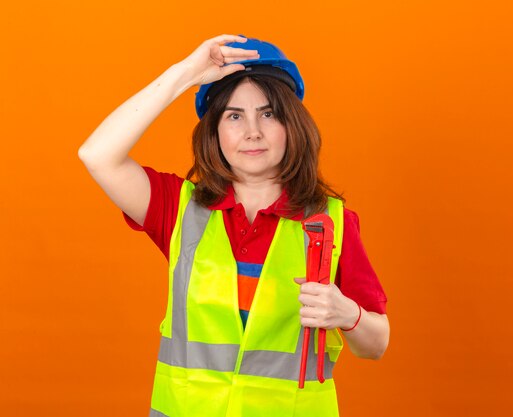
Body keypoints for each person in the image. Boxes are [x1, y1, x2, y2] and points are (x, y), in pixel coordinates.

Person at [78, 34, 389, 417]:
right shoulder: (177, 209)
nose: (252, 131)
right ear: (215, 131)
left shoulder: (330, 222)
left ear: (292, 125)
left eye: (269, 113)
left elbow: (376, 344)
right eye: (234, 116)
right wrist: (185, 74)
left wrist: (348, 315)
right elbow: (97, 155)